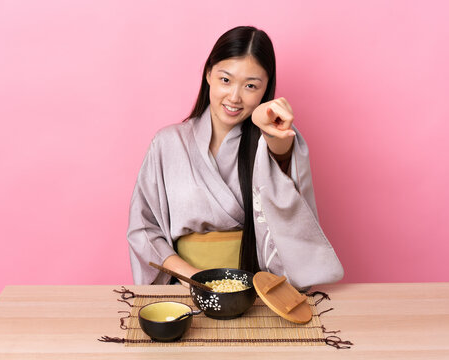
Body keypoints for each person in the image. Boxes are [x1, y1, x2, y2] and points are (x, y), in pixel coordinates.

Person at [127, 26, 343, 289]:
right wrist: (195, 277)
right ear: (208, 74)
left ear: (265, 89)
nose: (234, 97)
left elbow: (285, 173)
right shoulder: (167, 143)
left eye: (251, 85)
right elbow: (144, 229)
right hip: (185, 287)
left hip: (258, 288)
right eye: (225, 80)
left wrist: (274, 135)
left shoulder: (270, 141)